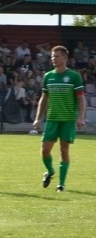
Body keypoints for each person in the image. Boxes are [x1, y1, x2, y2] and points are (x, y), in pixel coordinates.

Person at [33, 46, 88, 192]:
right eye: (52, 56)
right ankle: (50, 172)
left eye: (56, 56)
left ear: (64, 58)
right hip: (52, 119)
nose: (53, 59)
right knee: (45, 150)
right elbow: (44, 98)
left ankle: (61, 184)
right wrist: (38, 118)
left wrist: (81, 117)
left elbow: (81, 99)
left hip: (68, 119)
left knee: (64, 150)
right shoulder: (48, 76)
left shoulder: (74, 76)